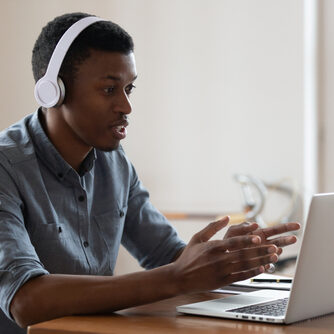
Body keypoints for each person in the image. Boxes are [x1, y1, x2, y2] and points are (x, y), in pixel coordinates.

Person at [0, 12, 300, 333]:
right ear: (54, 91)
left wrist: (221, 259)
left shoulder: (114, 162)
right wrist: (177, 276)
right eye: (109, 90)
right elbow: (25, 301)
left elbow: (167, 257)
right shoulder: (7, 166)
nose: (126, 106)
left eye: (129, 88)